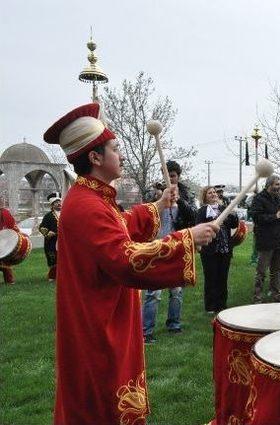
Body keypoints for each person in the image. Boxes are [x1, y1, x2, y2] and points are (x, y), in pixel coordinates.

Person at [44, 103, 218, 425]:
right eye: (115, 148)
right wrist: (187, 238)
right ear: (95, 158)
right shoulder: (86, 205)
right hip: (98, 327)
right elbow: (125, 260)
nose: (120, 155)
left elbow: (121, 223)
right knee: (101, 407)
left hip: (104, 315)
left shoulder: (92, 198)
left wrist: (158, 205)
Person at [142, 160, 197, 342]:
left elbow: (193, 216)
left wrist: (178, 200)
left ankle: (174, 324)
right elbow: (145, 210)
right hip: (157, 246)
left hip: (177, 246)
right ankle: (146, 331)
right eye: (166, 175)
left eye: (172, 176)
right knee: (153, 293)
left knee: (176, 291)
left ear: (177, 176)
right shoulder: (156, 192)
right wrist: (159, 197)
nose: (169, 179)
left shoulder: (186, 194)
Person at [197, 186, 238, 314]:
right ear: (205, 196)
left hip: (225, 249)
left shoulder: (224, 208)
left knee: (222, 277)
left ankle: (221, 305)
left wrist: (233, 215)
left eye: (214, 192)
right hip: (210, 249)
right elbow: (198, 227)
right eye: (210, 193)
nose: (213, 194)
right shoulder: (202, 211)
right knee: (211, 278)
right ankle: (210, 306)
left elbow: (234, 224)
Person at [250, 175, 280, 303]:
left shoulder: (279, 198)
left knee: (276, 271)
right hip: (266, 240)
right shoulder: (259, 199)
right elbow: (257, 218)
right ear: (269, 185)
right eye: (277, 184)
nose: (279, 187)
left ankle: (277, 295)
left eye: (279, 184)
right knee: (261, 271)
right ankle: (257, 297)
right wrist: (275, 216)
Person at [39, 192, 62, 281]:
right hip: (52, 241)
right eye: (56, 202)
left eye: (60, 202)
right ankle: (52, 276)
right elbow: (42, 227)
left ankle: (64, 275)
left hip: (64, 240)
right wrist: (47, 233)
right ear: (52, 204)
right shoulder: (48, 216)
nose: (59, 204)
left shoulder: (66, 213)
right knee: (53, 257)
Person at [0, 202, 19, 285]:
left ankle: (9, 280)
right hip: (3, 241)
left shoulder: (4, 212)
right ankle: (9, 280)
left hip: (3, 241)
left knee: (4, 263)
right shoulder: (4, 212)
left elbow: (11, 226)